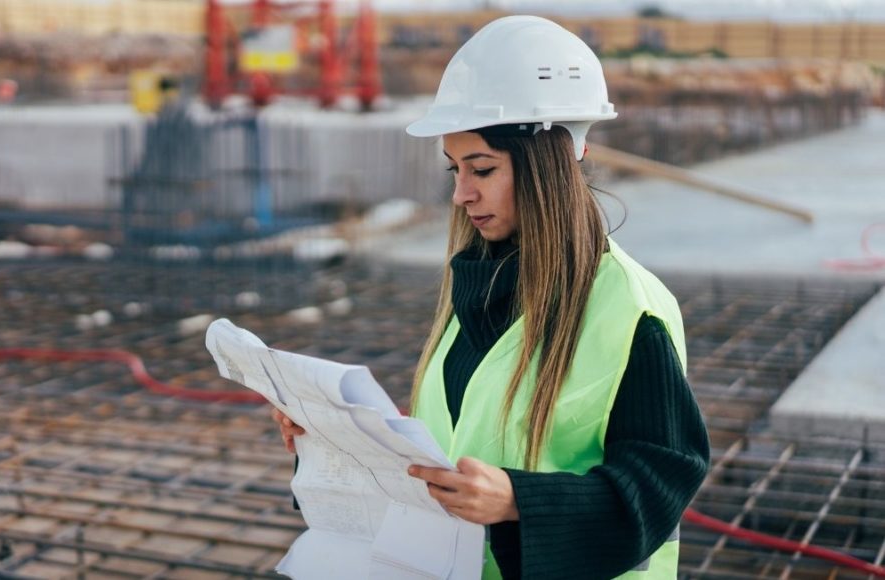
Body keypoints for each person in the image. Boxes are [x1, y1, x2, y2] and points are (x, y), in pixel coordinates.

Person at [273, 15, 710, 579]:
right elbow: (453, 454)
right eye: (455, 169)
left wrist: (516, 502)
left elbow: (660, 487)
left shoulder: (630, 311)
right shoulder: (475, 290)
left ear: (547, 164)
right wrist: (336, 446)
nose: (460, 193)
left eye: (481, 168)